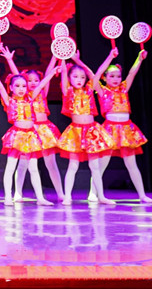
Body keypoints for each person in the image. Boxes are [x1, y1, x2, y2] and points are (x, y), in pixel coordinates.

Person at [0, 59, 59, 205]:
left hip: (31, 136)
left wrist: (51, 74)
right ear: (11, 88)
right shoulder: (10, 101)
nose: (21, 89)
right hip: (17, 136)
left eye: (24, 86)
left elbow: (41, 84)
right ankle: (8, 196)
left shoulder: (30, 98)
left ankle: (40, 198)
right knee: (10, 167)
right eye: (17, 86)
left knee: (34, 168)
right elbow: (0, 88)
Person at [0, 49, 65, 202]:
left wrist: (56, 56)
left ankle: (60, 193)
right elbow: (16, 77)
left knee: (50, 163)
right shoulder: (24, 95)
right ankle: (17, 193)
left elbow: (48, 75)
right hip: (28, 130)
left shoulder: (41, 92)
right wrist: (10, 60)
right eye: (29, 80)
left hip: (44, 130)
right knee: (23, 164)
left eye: (36, 80)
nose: (33, 82)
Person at [89, 47, 152, 203]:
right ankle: (93, 193)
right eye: (111, 76)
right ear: (105, 78)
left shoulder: (124, 88)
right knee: (101, 164)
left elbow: (132, 73)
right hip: (110, 129)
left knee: (132, 164)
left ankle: (142, 195)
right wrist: (110, 57)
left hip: (126, 129)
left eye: (118, 76)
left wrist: (139, 59)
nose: (116, 79)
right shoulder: (102, 91)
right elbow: (97, 74)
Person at [56, 52, 116, 205]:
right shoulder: (68, 91)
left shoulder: (89, 89)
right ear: (70, 78)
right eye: (75, 76)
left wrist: (110, 57)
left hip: (91, 131)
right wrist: (62, 58)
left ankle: (101, 196)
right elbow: (63, 73)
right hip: (76, 132)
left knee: (95, 166)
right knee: (73, 165)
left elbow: (98, 72)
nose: (79, 80)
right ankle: (67, 196)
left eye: (82, 77)